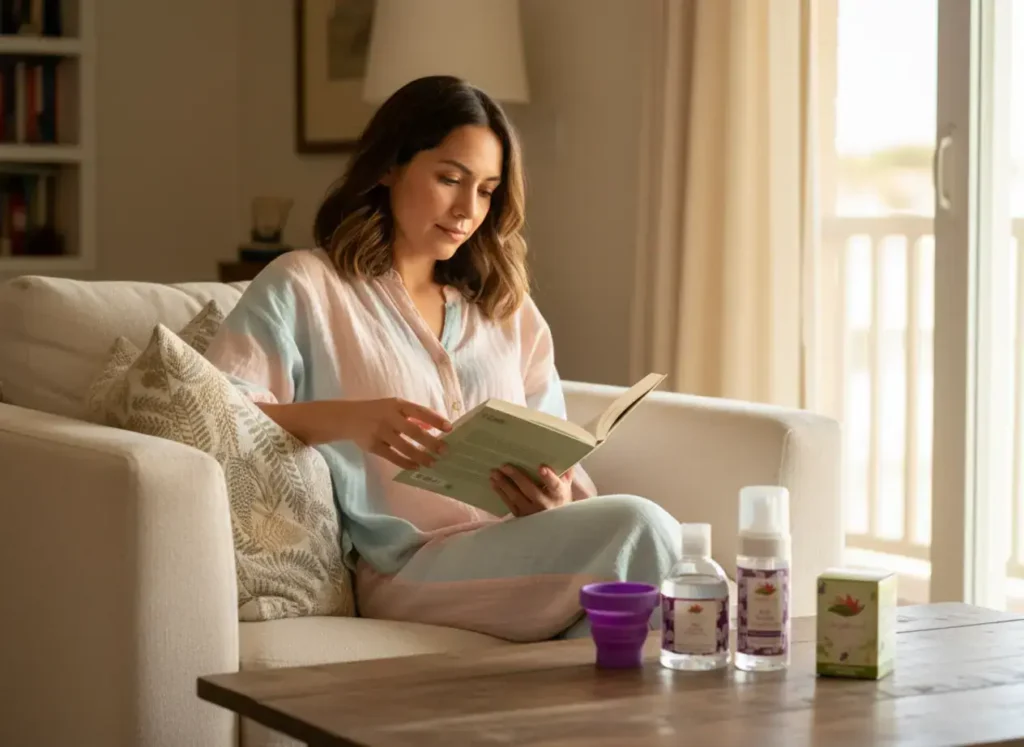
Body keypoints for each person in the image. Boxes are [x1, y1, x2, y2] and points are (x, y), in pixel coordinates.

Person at [204, 75, 680, 641]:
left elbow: (555, 444)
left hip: (519, 548)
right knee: (644, 528)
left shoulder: (506, 307)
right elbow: (217, 410)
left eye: (486, 190)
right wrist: (348, 420)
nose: (467, 209)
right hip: (408, 567)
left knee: (659, 593)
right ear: (389, 167)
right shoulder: (306, 286)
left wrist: (554, 497)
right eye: (450, 179)